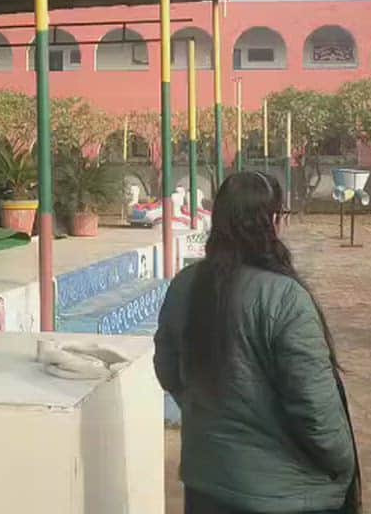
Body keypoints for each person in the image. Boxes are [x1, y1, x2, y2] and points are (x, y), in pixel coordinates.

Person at [154, 171, 360, 514]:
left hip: (207, 483)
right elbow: (315, 410)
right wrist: (343, 463)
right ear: (271, 222)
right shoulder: (285, 299)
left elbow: (168, 370)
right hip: (283, 494)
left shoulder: (185, 285)